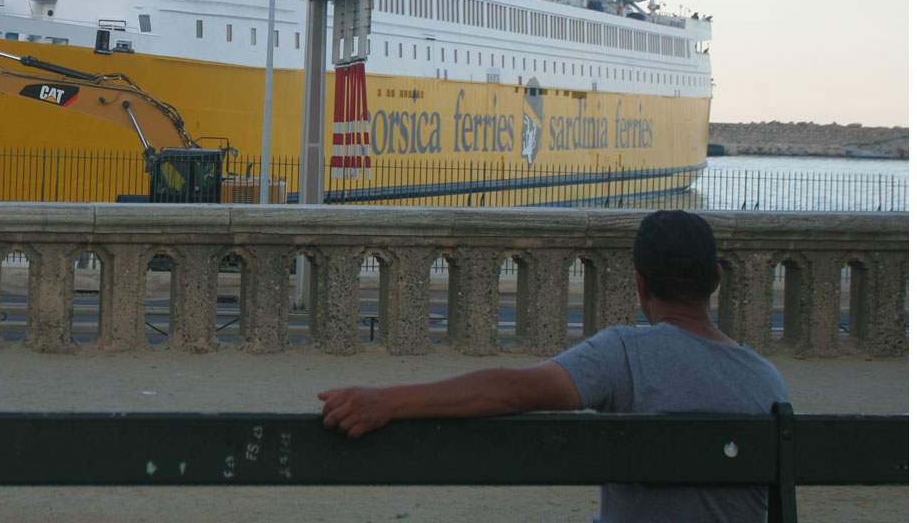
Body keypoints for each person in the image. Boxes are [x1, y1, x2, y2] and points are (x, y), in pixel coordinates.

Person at [319, 210, 788, 522]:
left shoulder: (624, 354)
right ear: (717, 280)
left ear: (640, 283)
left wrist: (385, 401)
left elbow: (510, 391)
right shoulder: (767, 381)